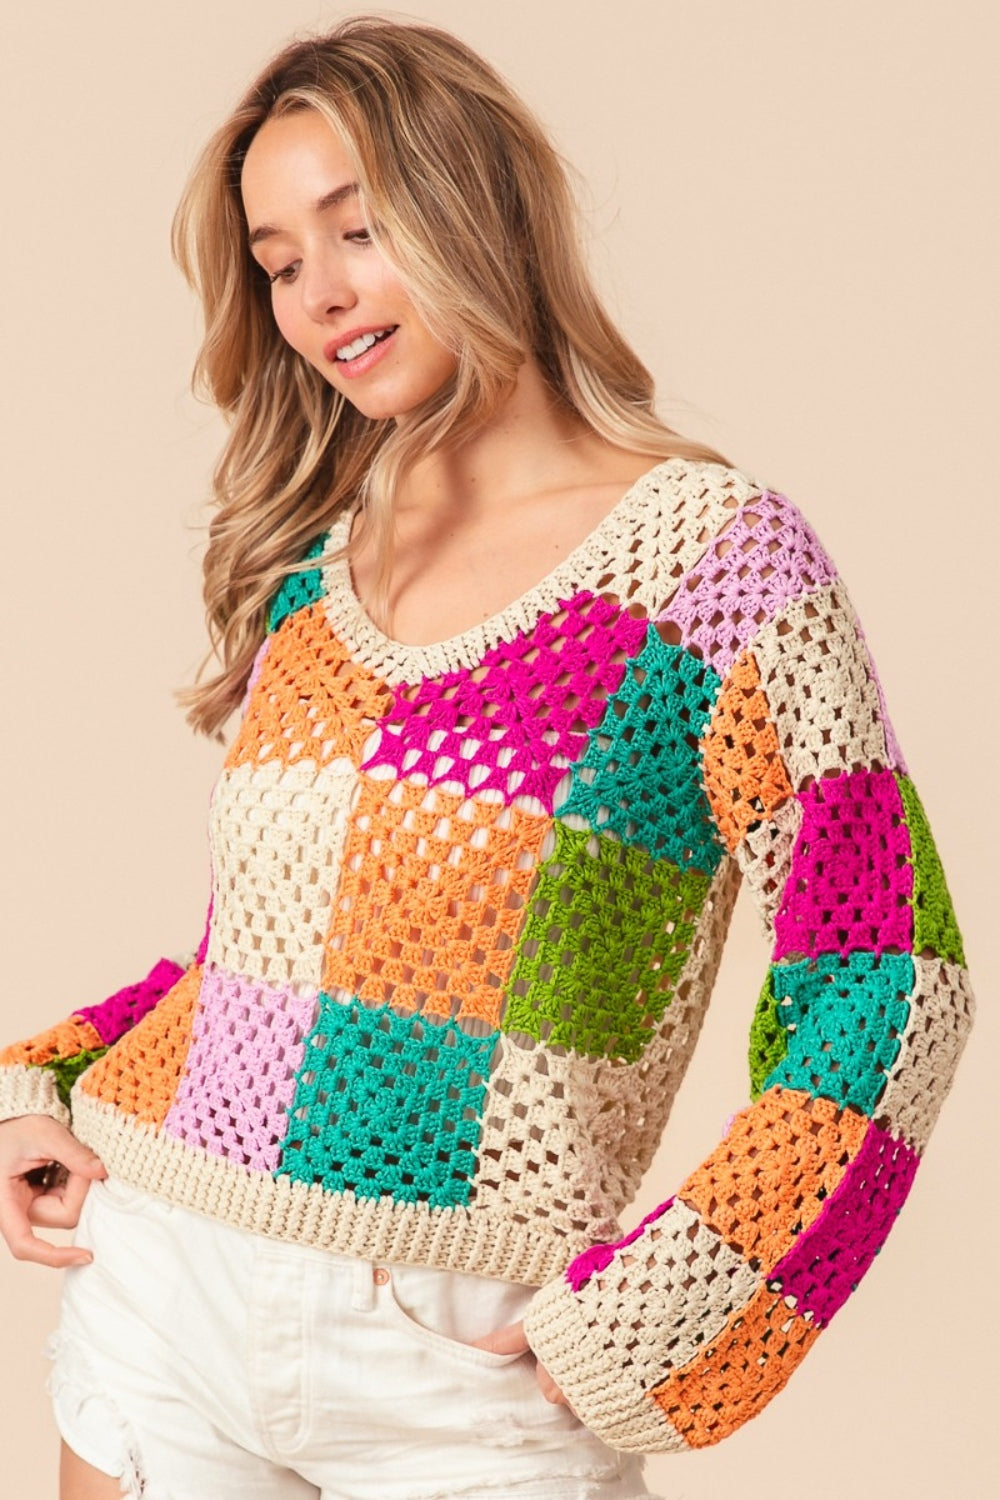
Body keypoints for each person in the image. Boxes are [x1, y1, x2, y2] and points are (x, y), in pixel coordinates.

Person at [0, 14, 975, 1500]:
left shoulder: (716, 570)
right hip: (169, 1292)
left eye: (359, 229)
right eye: (278, 263)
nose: (320, 295)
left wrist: (678, 1307)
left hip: (466, 1364)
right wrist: (55, 1081)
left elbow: (890, 978)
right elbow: (271, 962)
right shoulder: (317, 568)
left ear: (479, 211)